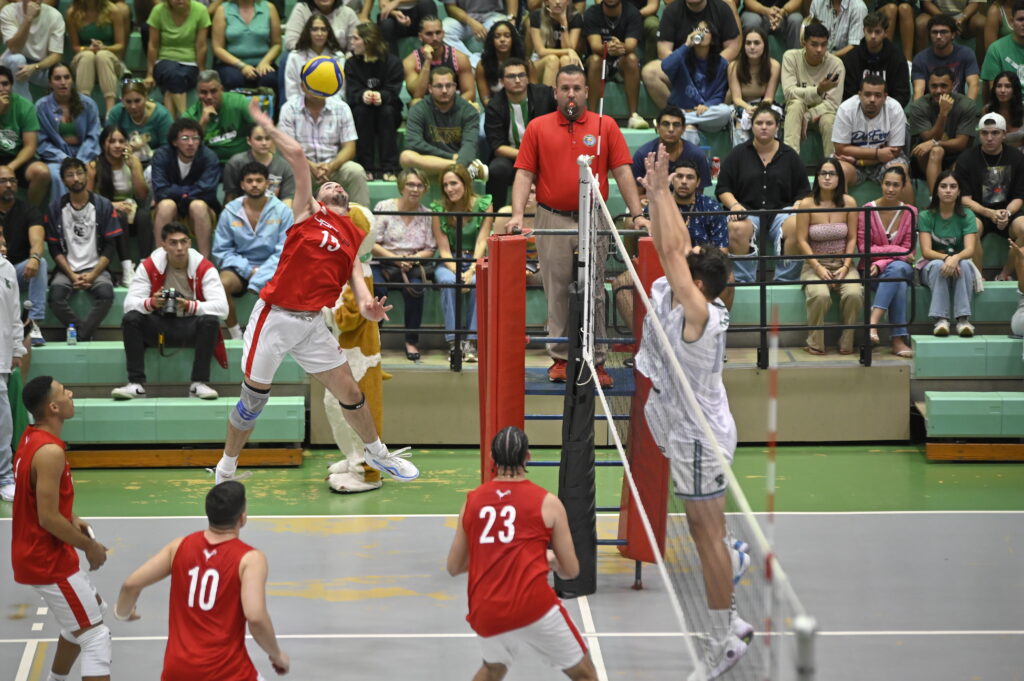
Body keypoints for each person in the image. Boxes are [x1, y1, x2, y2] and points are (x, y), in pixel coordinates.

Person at [214, 98, 418, 485]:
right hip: (275, 316)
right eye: (327, 184)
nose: (333, 184)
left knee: (350, 390)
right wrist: (266, 124)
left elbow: (357, 281)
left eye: (338, 185)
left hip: (311, 324)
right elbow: (295, 155)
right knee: (253, 401)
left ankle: (378, 453)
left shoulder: (352, 236)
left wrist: (368, 307)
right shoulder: (307, 213)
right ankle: (226, 466)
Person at [637, 144, 753, 681]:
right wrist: (659, 190)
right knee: (710, 533)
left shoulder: (699, 315)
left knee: (703, 538)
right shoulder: (687, 290)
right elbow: (673, 244)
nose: (677, 259)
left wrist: (659, 193)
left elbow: (673, 258)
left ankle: (723, 636)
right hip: (695, 427)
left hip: (700, 438)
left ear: (698, 287)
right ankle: (730, 562)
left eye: (686, 270)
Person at [505, 65, 649, 388]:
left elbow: (624, 172)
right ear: (555, 92)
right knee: (557, 290)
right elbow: (524, 174)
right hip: (551, 217)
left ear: (587, 92)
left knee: (595, 290)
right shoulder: (537, 127)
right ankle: (560, 359)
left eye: (577, 88)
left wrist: (637, 213)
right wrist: (517, 215)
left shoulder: (605, 126)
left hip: (593, 216)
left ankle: (596, 360)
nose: (571, 94)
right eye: (565, 88)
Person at [446, 426, 598, 681]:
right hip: (533, 606)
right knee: (585, 675)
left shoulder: (472, 501)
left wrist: (493, 556)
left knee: (493, 669)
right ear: (527, 456)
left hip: (486, 608)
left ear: (492, 459)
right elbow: (571, 571)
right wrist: (548, 560)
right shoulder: (548, 503)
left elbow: (454, 566)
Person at [114, 481, 290, 680]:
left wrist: (123, 613)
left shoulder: (178, 547)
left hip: (176, 671)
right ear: (242, 518)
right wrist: (277, 655)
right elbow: (256, 617)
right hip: (226, 673)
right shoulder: (250, 559)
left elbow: (131, 584)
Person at [11, 375, 112, 681]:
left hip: (43, 553)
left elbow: (42, 500)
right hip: (46, 560)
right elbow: (47, 518)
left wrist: (73, 517)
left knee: (91, 613)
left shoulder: (31, 438)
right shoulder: (50, 452)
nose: (71, 393)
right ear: (53, 407)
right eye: (64, 392)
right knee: (96, 636)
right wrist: (90, 547)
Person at [111, 223, 227, 400]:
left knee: (210, 320)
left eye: (183, 242)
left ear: (190, 243)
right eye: (173, 243)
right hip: (159, 325)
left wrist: (190, 305)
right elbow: (129, 304)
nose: (179, 248)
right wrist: (151, 303)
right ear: (163, 244)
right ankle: (136, 384)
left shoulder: (204, 267)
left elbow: (222, 309)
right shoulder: (149, 266)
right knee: (131, 318)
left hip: (190, 325)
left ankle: (198, 383)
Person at [716, 102, 809, 283]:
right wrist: (734, 205)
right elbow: (723, 188)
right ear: (752, 125)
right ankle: (744, 281)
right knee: (736, 228)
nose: (764, 127)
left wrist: (799, 204)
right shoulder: (738, 154)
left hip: (782, 213)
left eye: (769, 123)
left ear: (777, 126)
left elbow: (804, 191)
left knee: (798, 224)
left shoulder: (790, 155)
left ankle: (786, 281)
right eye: (759, 123)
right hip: (747, 211)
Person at [792, 157, 863, 355]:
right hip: (815, 263)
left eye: (832, 174)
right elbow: (801, 241)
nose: (827, 178)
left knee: (854, 293)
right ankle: (815, 342)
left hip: (843, 262)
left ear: (840, 178)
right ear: (817, 177)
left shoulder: (849, 202)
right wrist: (818, 268)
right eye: (823, 173)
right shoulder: (807, 204)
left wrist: (846, 266)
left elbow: (851, 238)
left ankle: (847, 342)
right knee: (820, 295)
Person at [44, 158, 119, 342]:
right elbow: (54, 248)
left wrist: (93, 274)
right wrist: (71, 274)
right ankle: (82, 332)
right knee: (55, 296)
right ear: (63, 180)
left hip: (96, 267)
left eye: (79, 173)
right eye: (70, 175)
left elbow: (110, 246)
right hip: (67, 269)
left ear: (87, 175)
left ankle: (81, 335)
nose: (76, 178)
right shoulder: (55, 208)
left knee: (106, 294)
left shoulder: (103, 205)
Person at [214, 162, 292, 339]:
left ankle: (279, 336)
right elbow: (222, 251)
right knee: (220, 283)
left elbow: (285, 250)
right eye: (249, 181)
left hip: (274, 267)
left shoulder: (282, 211)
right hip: (240, 267)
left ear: (268, 184)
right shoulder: (230, 211)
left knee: (292, 279)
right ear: (242, 185)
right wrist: (248, 270)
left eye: (259, 180)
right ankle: (235, 335)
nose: (254, 184)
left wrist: (262, 273)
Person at [371, 169, 435, 362]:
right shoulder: (384, 207)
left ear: (425, 189)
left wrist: (412, 259)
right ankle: (374, 340)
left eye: (419, 185)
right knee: (377, 288)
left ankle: (411, 341)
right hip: (382, 261)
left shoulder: (427, 214)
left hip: (412, 264)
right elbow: (372, 244)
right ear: (401, 186)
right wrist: (395, 259)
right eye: (410, 184)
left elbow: (430, 249)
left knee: (416, 288)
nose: (415, 189)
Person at [431, 163, 492, 362]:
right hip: (449, 261)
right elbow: (444, 250)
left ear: (465, 183)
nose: (449, 189)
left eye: (454, 183)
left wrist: (472, 270)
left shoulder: (484, 204)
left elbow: (482, 241)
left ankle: (471, 342)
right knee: (450, 282)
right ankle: (454, 342)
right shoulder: (439, 209)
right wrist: (459, 274)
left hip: (476, 258)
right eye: (445, 185)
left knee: (479, 282)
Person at [954, 112, 1024, 280]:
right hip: (979, 212)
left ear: (1004, 134)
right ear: (979, 134)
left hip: (1008, 212)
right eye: (984, 133)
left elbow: (1019, 196)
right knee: (971, 228)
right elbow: (964, 199)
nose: (989, 138)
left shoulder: (1016, 157)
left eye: (995, 133)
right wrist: (990, 213)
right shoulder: (966, 158)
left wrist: (1006, 213)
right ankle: (979, 277)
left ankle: (1005, 274)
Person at [279, 79, 371, 207]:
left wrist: (331, 166)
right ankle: (294, 224)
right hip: (302, 167)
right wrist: (311, 166)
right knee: (290, 172)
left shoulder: (341, 107)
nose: (317, 87)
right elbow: (287, 149)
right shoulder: (289, 109)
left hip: (334, 167)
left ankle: (360, 222)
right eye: (312, 83)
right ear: (302, 86)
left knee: (356, 171)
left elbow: (349, 148)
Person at [858, 165, 916, 358]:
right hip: (871, 272)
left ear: (903, 187)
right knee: (897, 279)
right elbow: (865, 249)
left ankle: (872, 323)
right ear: (880, 184)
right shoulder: (867, 210)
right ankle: (897, 341)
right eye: (887, 184)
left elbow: (910, 251)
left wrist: (881, 263)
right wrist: (896, 253)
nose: (890, 189)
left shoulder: (910, 212)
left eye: (896, 185)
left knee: (898, 269)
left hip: (892, 268)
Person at [642, 0, 741, 111]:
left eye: (706, 30)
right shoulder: (672, 10)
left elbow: (733, 47)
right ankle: (677, 115)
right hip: (684, 68)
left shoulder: (721, 8)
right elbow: (664, 52)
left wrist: (712, 65)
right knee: (650, 71)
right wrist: (685, 57)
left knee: (736, 70)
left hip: (715, 68)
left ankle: (713, 114)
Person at [484, 57, 556, 209]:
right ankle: (495, 215)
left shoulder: (545, 94)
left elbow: (566, 116)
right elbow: (498, 147)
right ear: (502, 82)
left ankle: (560, 213)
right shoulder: (494, 106)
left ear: (528, 78)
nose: (517, 80)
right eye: (511, 76)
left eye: (521, 75)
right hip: (512, 157)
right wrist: (526, 155)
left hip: (544, 154)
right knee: (497, 169)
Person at [832, 75, 914, 205]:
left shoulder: (895, 108)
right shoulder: (846, 109)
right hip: (851, 162)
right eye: (867, 94)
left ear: (885, 97)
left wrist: (861, 161)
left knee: (900, 172)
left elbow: (894, 151)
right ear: (859, 95)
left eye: (877, 95)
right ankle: (842, 221)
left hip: (880, 161)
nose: (872, 99)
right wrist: (876, 154)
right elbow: (840, 148)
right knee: (838, 171)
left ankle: (910, 222)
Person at [918, 170, 980, 337]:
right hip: (931, 265)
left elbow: (970, 250)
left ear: (959, 191)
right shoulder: (925, 215)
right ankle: (941, 320)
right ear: (936, 190)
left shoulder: (967, 215)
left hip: (960, 265)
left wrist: (956, 259)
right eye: (943, 186)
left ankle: (963, 320)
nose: (948, 190)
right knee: (939, 265)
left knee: (966, 263)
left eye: (953, 187)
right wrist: (947, 258)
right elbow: (926, 252)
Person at [87, 125, 153, 278]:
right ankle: (127, 268)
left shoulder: (133, 161)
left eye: (121, 141)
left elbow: (142, 195)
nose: (117, 145)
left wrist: (134, 168)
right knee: (119, 215)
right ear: (104, 144)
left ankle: (144, 267)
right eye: (112, 141)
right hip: (104, 213)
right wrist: (112, 205)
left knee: (144, 215)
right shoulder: (93, 166)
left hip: (131, 208)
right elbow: (88, 200)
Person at [400, 66, 487, 180]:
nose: (444, 90)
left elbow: (469, 145)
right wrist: (451, 157)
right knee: (406, 157)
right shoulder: (418, 110)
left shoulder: (469, 111)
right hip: (430, 162)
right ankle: (467, 171)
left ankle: (460, 169)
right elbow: (415, 142)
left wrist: (460, 160)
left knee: (467, 155)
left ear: (455, 87)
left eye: (448, 85)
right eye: (439, 86)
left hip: (460, 158)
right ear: (430, 88)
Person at [151, 118, 222, 257]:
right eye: (185, 138)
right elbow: (160, 190)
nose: (191, 143)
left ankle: (204, 262)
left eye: (195, 138)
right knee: (166, 205)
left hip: (201, 207)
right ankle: (158, 262)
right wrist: (186, 193)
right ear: (174, 142)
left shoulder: (209, 156)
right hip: (171, 205)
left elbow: (208, 191)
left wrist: (179, 193)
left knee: (198, 206)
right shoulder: (162, 155)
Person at [345, 21, 405, 180]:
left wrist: (382, 96)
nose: (352, 42)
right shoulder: (351, 63)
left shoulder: (393, 62)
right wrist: (362, 95)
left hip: (387, 109)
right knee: (361, 111)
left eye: (356, 38)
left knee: (386, 112)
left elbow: (393, 89)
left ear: (368, 41)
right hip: (362, 110)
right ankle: (365, 167)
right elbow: (351, 90)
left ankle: (390, 167)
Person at [906, 66, 977, 195]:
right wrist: (942, 115)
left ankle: (954, 202)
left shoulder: (966, 105)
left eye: (943, 86)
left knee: (940, 150)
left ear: (953, 85)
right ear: (928, 85)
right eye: (934, 86)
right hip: (926, 158)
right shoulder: (919, 106)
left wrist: (935, 143)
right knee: (936, 151)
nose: (938, 91)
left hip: (957, 156)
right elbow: (927, 139)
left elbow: (961, 143)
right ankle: (935, 200)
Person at [36, 64, 102, 204]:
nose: (63, 82)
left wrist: (80, 159)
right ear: (50, 82)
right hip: (56, 157)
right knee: (59, 175)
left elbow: (94, 136)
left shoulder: (88, 104)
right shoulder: (41, 107)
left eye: (67, 77)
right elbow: (41, 142)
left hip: (85, 155)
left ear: (72, 80)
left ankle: (88, 218)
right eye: (57, 78)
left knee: (89, 172)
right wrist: (64, 158)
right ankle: (60, 219)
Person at [661, 20, 731, 145]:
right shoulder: (682, 57)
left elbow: (720, 94)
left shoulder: (722, 64)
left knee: (726, 111)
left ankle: (677, 120)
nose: (701, 33)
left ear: (713, 38)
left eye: (705, 30)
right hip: (685, 109)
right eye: (698, 30)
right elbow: (666, 66)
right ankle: (682, 120)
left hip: (707, 115)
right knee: (689, 130)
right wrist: (687, 45)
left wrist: (708, 105)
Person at [781, 22, 844, 158]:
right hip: (798, 110)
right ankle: (789, 162)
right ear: (804, 43)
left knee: (829, 120)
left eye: (824, 45)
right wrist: (818, 90)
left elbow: (833, 104)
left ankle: (832, 166)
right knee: (795, 105)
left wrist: (809, 115)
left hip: (822, 113)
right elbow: (788, 93)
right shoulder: (791, 57)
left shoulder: (836, 64)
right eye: (814, 44)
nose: (820, 49)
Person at [0, 165, 46, 345]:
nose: (10, 185)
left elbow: (37, 241)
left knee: (39, 262)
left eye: (13, 181)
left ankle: (33, 323)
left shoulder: (29, 210)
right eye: (3, 181)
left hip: (17, 272)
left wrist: (34, 258)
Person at [583, 0, 647, 130]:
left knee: (632, 59)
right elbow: (595, 46)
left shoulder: (632, 12)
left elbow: (631, 45)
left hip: (621, 61)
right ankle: (592, 116)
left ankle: (633, 116)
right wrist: (608, 48)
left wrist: (619, 46)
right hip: (600, 59)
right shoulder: (592, 13)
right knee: (595, 60)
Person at [146, 0, 212, 118]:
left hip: (190, 63)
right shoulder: (158, 11)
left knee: (172, 84)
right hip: (164, 61)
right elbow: (153, 45)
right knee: (173, 74)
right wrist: (150, 74)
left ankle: (171, 126)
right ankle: (185, 117)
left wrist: (201, 71)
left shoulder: (200, 10)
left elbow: (201, 45)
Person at [631, 106, 711, 196]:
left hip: (687, 207)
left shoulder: (697, 155)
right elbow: (637, 196)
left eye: (676, 125)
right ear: (657, 127)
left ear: (683, 129)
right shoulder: (643, 155)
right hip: (652, 205)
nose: (671, 129)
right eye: (666, 124)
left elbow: (698, 195)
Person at [0, 66, 50, 210]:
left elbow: (30, 146)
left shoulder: (25, 106)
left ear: (11, 86)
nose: (2, 88)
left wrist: (9, 168)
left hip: (18, 157)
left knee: (41, 172)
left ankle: (28, 214)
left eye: (5, 84)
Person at [184, 71, 256, 166]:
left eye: (213, 91)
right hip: (210, 164)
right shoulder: (190, 115)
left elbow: (263, 129)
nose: (209, 97)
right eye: (203, 92)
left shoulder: (239, 102)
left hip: (241, 161)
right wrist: (202, 123)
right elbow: (186, 149)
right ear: (197, 94)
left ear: (221, 89)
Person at [841, 10, 910, 107]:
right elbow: (848, 94)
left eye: (877, 32)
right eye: (869, 31)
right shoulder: (851, 58)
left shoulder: (897, 57)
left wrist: (881, 108)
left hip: (888, 113)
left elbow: (902, 94)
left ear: (885, 33)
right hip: (857, 112)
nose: (873, 36)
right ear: (863, 31)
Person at [67, 0, 126, 114]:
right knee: (87, 56)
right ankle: (84, 107)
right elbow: (75, 46)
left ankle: (110, 111)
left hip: (109, 57)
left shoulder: (113, 11)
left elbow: (120, 44)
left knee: (102, 55)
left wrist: (104, 48)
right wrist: (87, 49)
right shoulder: (72, 13)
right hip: (84, 57)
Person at [0, 231, 25, 502]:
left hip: (1, 357)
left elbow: (13, 311)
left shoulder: (6, 268)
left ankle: (5, 476)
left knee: (3, 421)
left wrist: (17, 348)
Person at [402, 15, 477, 105]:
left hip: (455, 106)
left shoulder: (459, 58)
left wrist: (448, 107)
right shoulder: (410, 62)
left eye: (438, 33)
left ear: (443, 33)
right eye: (429, 34)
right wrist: (427, 62)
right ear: (420, 36)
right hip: (427, 109)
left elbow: (470, 93)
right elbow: (416, 95)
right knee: (415, 103)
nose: (435, 38)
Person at [211, 0, 282, 93]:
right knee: (233, 79)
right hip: (231, 64)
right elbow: (217, 47)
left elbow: (277, 44)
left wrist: (265, 62)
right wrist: (242, 66)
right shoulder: (222, 9)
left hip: (262, 62)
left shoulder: (269, 8)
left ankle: (268, 107)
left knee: (269, 79)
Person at [0, 0, 65, 100]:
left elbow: (56, 55)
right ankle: (25, 110)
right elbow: (14, 48)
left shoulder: (55, 16)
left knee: (62, 74)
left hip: (40, 66)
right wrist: (28, 19)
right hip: (13, 60)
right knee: (17, 60)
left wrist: (35, 67)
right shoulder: (9, 11)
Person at [727, 27, 781, 146]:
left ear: (764, 45)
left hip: (764, 103)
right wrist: (748, 108)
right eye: (748, 43)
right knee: (741, 121)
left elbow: (769, 97)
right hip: (741, 105)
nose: (752, 47)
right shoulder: (734, 66)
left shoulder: (774, 65)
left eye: (756, 43)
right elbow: (736, 99)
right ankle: (741, 161)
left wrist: (758, 109)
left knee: (769, 118)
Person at [911, 13, 979, 101]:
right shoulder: (920, 58)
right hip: (930, 108)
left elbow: (974, 85)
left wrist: (967, 110)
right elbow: (918, 91)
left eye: (943, 32)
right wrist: (918, 112)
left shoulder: (966, 54)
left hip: (958, 106)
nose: (938, 36)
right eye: (934, 32)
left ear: (953, 35)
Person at [105, 80, 174, 168]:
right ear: (122, 100)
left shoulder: (162, 115)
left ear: (145, 97)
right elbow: (107, 141)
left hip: (155, 163)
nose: (133, 106)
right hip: (122, 160)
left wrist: (148, 155)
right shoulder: (116, 113)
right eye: (128, 102)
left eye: (137, 101)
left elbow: (168, 149)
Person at [223, 125, 297, 206]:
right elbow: (230, 197)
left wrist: (281, 217)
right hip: (242, 211)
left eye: (268, 138)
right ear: (249, 140)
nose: (264, 143)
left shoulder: (284, 166)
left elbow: (287, 199)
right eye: (259, 139)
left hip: (274, 213)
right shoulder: (235, 163)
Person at [285, 13, 347, 105]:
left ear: (328, 32)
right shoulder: (294, 56)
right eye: (314, 29)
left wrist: (325, 104)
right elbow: (292, 92)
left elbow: (341, 91)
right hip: (301, 107)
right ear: (308, 32)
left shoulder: (338, 57)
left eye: (323, 29)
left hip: (333, 107)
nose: (319, 34)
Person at [916, 0, 988, 68]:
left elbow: (974, 3)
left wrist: (962, 18)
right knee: (921, 23)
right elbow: (927, 3)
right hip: (935, 14)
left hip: (965, 16)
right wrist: (945, 19)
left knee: (981, 23)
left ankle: (979, 69)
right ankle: (922, 68)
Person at [440, 0, 512, 68]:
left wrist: (512, 18)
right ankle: (475, 63)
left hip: (493, 14)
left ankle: (485, 63)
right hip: (464, 16)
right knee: (444, 31)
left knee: (505, 30)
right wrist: (471, 22)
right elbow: (450, 7)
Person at [530, 0, 583, 87]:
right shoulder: (537, 15)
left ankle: (565, 98)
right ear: (547, 2)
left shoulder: (575, 17)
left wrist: (563, 22)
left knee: (566, 59)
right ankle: (548, 99)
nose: (557, 2)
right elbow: (541, 51)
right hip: (539, 62)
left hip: (563, 60)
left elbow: (569, 49)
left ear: (568, 2)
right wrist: (568, 51)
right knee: (552, 60)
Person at [368, 0, 439, 57]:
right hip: (396, 16)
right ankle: (393, 66)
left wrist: (398, 1)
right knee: (386, 23)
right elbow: (383, 5)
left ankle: (432, 54)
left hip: (418, 15)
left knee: (427, 3)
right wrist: (395, 13)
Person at [981, 0, 1024, 94]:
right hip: (1009, 105)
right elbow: (995, 92)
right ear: (1012, 22)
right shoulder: (996, 49)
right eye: (1020, 19)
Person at [284, 0, 359, 52]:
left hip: (339, 60)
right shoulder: (301, 9)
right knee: (286, 57)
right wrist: (316, 54)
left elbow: (355, 45)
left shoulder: (348, 13)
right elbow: (291, 42)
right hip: (306, 58)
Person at [983, 70, 1024, 147]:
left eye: (1008, 86)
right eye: (999, 86)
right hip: (997, 154)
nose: (1002, 90)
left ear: (1015, 89)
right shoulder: (987, 110)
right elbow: (985, 140)